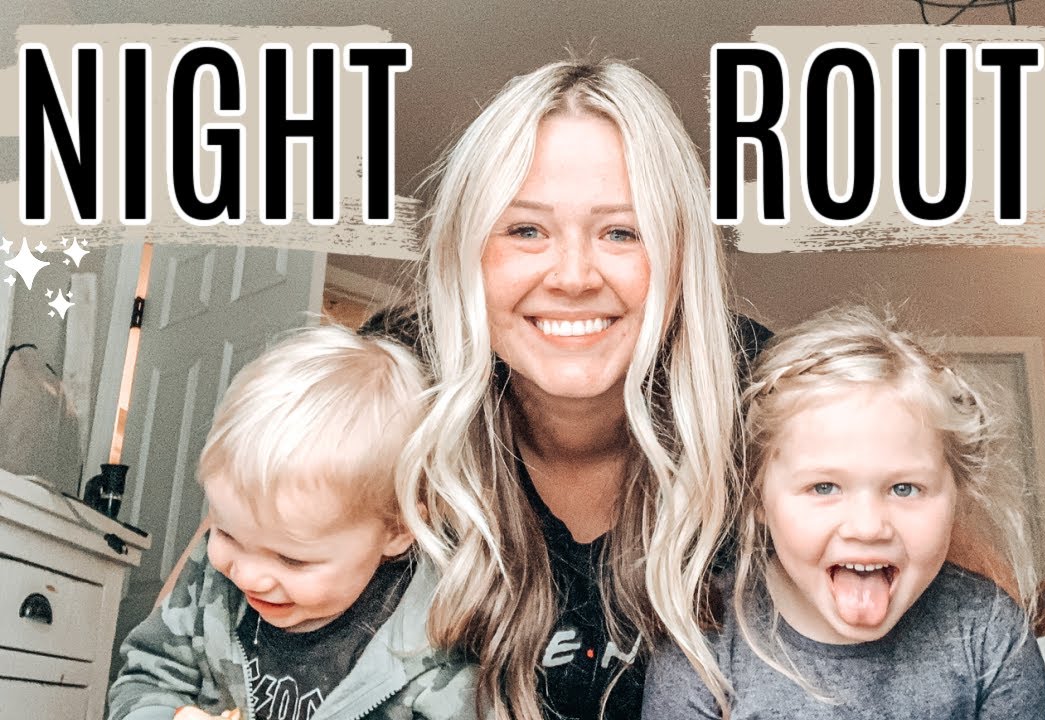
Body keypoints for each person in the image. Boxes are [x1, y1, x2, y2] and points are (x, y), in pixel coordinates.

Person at [371, 58, 760, 720]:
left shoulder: (771, 406)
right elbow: (210, 631)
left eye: (621, 232)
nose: (574, 277)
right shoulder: (388, 384)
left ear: (679, 258)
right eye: (526, 230)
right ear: (467, 251)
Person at [641, 306, 1045, 719]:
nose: (868, 527)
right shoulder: (704, 644)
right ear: (757, 497)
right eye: (824, 487)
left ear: (957, 495)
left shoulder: (989, 632)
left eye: (905, 488)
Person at [108, 325, 477, 720]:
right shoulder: (208, 585)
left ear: (397, 529)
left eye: (291, 559)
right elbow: (143, 681)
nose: (248, 576)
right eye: (226, 533)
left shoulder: (436, 639)